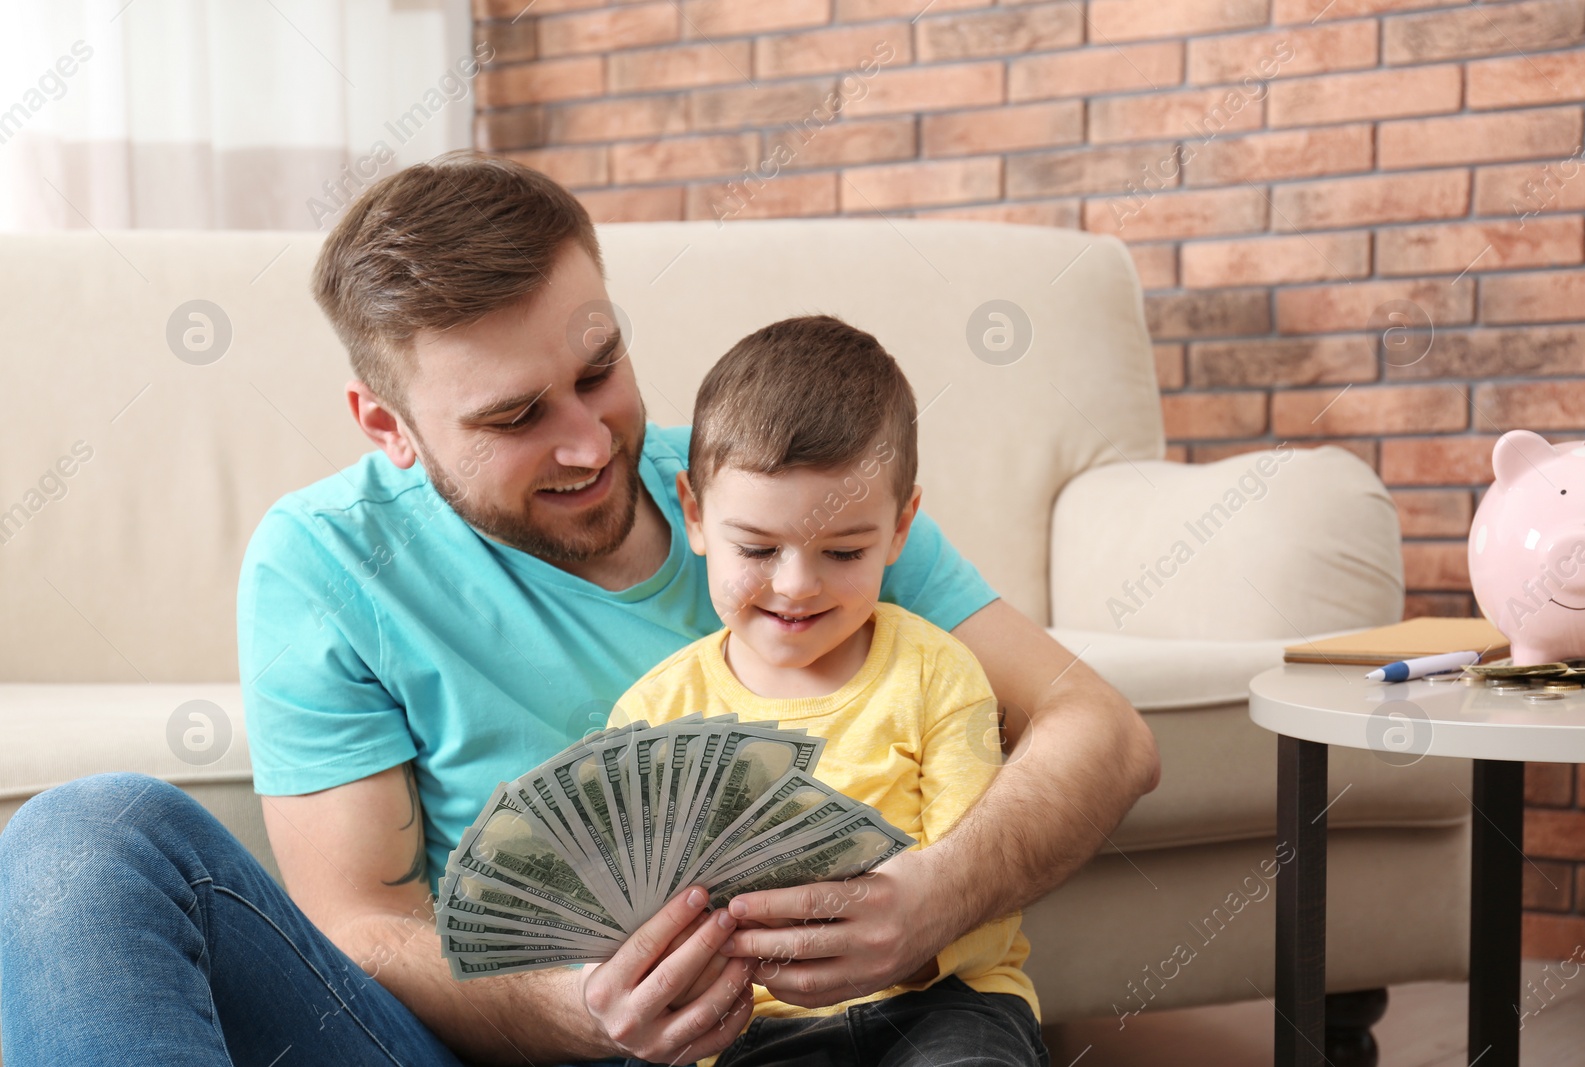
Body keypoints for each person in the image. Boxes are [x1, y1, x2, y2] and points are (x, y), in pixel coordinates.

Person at [0, 153, 1157, 1067]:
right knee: (82, 837)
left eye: (598, 368)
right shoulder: (321, 565)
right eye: (512, 418)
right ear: (387, 427)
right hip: (476, 1040)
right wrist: (582, 1009)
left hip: (796, 1037)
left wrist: (935, 898)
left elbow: (1100, 727)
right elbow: (361, 926)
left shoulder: (781, 506)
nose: (588, 440)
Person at [609, 314, 1047, 1067]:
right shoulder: (654, 713)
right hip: (756, 1026)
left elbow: (979, 888)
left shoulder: (937, 672)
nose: (796, 586)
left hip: (943, 1000)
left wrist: (895, 948)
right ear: (694, 513)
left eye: (844, 551)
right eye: (757, 547)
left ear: (903, 526)